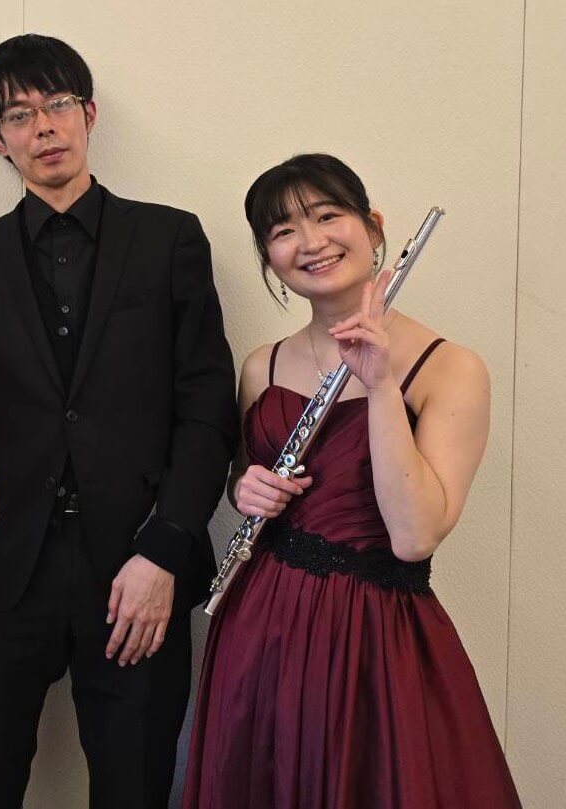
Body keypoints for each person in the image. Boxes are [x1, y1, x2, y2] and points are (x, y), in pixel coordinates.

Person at [0, 33, 239, 808]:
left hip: (137, 556)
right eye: (18, 115)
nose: (42, 126)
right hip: (6, 561)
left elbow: (206, 406)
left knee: (133, 778)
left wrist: (164, 547)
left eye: (56, 104)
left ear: (88, 113)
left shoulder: (169, 237)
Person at [182, 153, 520, 808]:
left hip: (373, 637)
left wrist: (381, 385)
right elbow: (244, 479)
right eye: (283, 230)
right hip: (260, 627)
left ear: (373, 226)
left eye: (327, 215)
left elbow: (415, 536)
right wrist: (244, 488)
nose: (310, 241)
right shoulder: (261, 366)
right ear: (268, 258)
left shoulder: (452, 368)